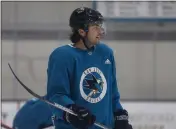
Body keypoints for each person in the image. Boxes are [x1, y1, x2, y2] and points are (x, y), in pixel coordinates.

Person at [46, 7, 133, 129]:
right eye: (95, 27)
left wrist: (119, 115)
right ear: (82, 31)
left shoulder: (105, 53)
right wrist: (71, 112)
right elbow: (56, 95)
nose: (100, 31)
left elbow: (112, 91)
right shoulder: (62, 56)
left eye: (100, 26)